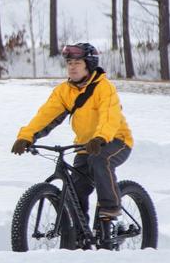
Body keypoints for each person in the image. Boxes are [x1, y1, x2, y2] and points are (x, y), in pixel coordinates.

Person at [11, 42, 134, 239]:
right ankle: (80, 234)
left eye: (77, 62)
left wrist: (101, 137)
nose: (72, 66)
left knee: (100, 160)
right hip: (86, 145)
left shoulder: (104, 88)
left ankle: (110, 209)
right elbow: (46, 115)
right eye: (69, 62)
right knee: (76, 188)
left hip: (115, 141)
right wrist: (26, 136)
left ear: (89, 65)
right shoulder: (64, 91)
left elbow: (109, 117)